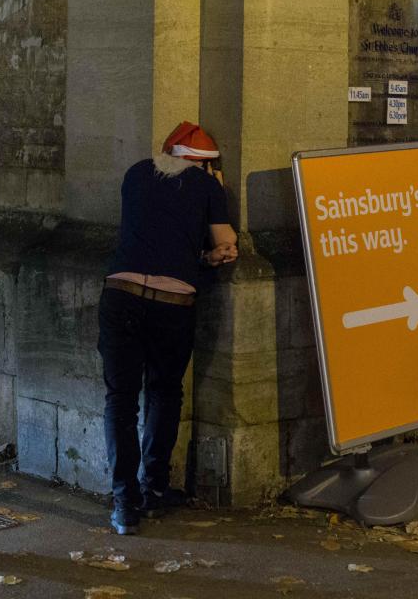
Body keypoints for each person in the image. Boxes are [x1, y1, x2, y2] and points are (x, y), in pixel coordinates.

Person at [98, 121, 238, 535]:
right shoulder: (208, 187)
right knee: (163, 392)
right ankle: (154, 489)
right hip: (172, 304)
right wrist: (218, 197)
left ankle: (124, 503)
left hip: (120, 294)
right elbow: (225, 244)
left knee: (120, 399)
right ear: (204, 164)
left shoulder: (135, 174)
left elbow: (156, 233)